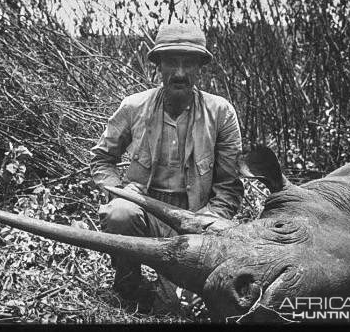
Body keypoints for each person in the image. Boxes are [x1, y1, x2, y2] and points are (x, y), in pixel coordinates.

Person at [90, 23, 244, 314]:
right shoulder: (134, 107)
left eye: (189, 63)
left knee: (175, 308)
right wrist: (121, 191)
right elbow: (101, 160)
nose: (180, 72)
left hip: (195, 217)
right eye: (172, 62)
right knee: (120, 213)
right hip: (144, 211)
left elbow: (229, 186)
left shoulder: (221, 112)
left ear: (200, 67)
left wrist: (208, 221)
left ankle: (174, 289)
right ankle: (128, 285)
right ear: (158, 66)